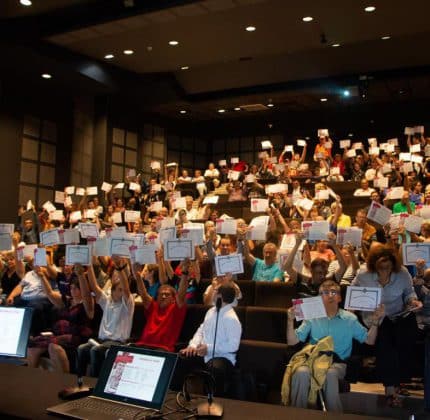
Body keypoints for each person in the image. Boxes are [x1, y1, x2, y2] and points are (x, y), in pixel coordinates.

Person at [285, 280, 384, 412]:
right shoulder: (311, 317)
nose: (330, 295)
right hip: (313, 360)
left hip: (337, 363)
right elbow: (292, 341)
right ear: (319, 298)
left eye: (333, 292)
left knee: (330, 373)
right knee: (301, 372)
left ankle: (334, 414)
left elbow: (369, 340)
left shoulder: (350, 318)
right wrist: (290, 321)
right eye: (325, 293)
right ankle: (297, 414)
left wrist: (375, 322)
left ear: (339, 297)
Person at [351, 243, 422, 407]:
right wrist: (356, 309)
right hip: (374, 318)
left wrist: (412, 301)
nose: (384, 271)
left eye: (388, 267)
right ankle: (390, 389)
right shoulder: (363, 274)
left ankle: (400, 382)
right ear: (373, 265)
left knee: (409, 333)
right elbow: (353, 294)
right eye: (380, 268)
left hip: (398, 315)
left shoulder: (402, 273)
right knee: (385, 340)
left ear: (393, 264)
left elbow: (409, 293)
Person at [27, 265, 93, 373]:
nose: (72, 291)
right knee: (32, 347)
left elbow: (86, 295)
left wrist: (81, 275)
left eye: (76, 288)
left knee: (54, 347)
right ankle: (31, 379)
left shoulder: (87, 305)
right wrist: (42, 276)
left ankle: (62, 382)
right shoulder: (67, 301)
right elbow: (49, 293)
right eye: (71, 288)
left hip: (75, 337)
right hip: (60, 335)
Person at [179, 285, 242, 396]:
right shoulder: (211, 311)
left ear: (219, 296)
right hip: (203, 353)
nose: (212, 292)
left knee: (215, 369)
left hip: (222, 357)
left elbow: (233, 346)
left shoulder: (231, 318)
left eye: (215, 291)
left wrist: (208, 348)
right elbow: (201, 330)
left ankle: (212, 403)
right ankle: (179, 395)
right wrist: (192, 345)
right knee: (181, 359)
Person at [77, 257, 134, 377]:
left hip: (117, 343)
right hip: (102, 341)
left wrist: (120, 268)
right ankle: (80, 381)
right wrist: (89, 265)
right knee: (82, 349)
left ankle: (94, 385)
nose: (123, 292)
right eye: (119, 290)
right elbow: (94, 286)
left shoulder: (128, 303)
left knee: (95, 351)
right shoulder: (107, 300)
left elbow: (126, 288)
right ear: (113, 291)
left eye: (123, 290)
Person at [132, 258, 189, 352]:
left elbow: (182, 292)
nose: (163, 296)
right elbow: (143, 293)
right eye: (160, 294)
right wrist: (138, 276)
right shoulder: (153, 306)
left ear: (173, 298)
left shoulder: (176, 309)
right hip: (142, 345)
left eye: (167, 294)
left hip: (162, 349)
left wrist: (185, 271)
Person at [285, 232, 347, 297]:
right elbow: (287, 267)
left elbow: (343, 267)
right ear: (311, 271)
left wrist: (334, 245)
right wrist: (297, 245)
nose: (323, 276)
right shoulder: (303, 280)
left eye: (325, 273)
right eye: (319, 273)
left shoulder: (329, 281)